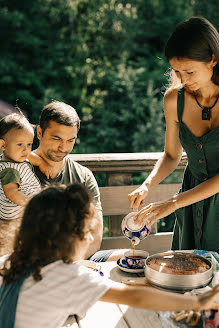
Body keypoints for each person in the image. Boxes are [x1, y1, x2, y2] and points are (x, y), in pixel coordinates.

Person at [0, 183, 218, 328]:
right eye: (87, 232)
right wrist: (199, 301)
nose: (88, 240)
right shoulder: (70, 278)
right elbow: (136, 297)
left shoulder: (9, 262)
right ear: (76, 237)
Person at [128, 17, 219, 253]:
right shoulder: (173, 100)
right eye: (177, 72)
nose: (183, 80)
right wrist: (147, 186)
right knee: (185, 276)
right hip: (190, 206)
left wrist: (172, 203)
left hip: (185, 201)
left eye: (190, 71)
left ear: (213, 59)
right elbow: (171, 155)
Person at [32, 100, 129, 261]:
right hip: (33, 262)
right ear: (40, 132)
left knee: (128, 258)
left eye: (71, 140)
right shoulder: (17, 170)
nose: (63, 147)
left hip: (76, 260)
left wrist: (69, 266)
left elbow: (95, 235)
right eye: (57, 138)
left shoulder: (83, 176)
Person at [0, 113, 42, 255]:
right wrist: (32, 203)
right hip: (14, 217)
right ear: (2, 145)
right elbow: (11, 193)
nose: (26, 150)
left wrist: (41, 163)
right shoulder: (10, 169)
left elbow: (30, 156)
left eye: (29, 144)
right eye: (20, 144)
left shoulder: (14, 157)